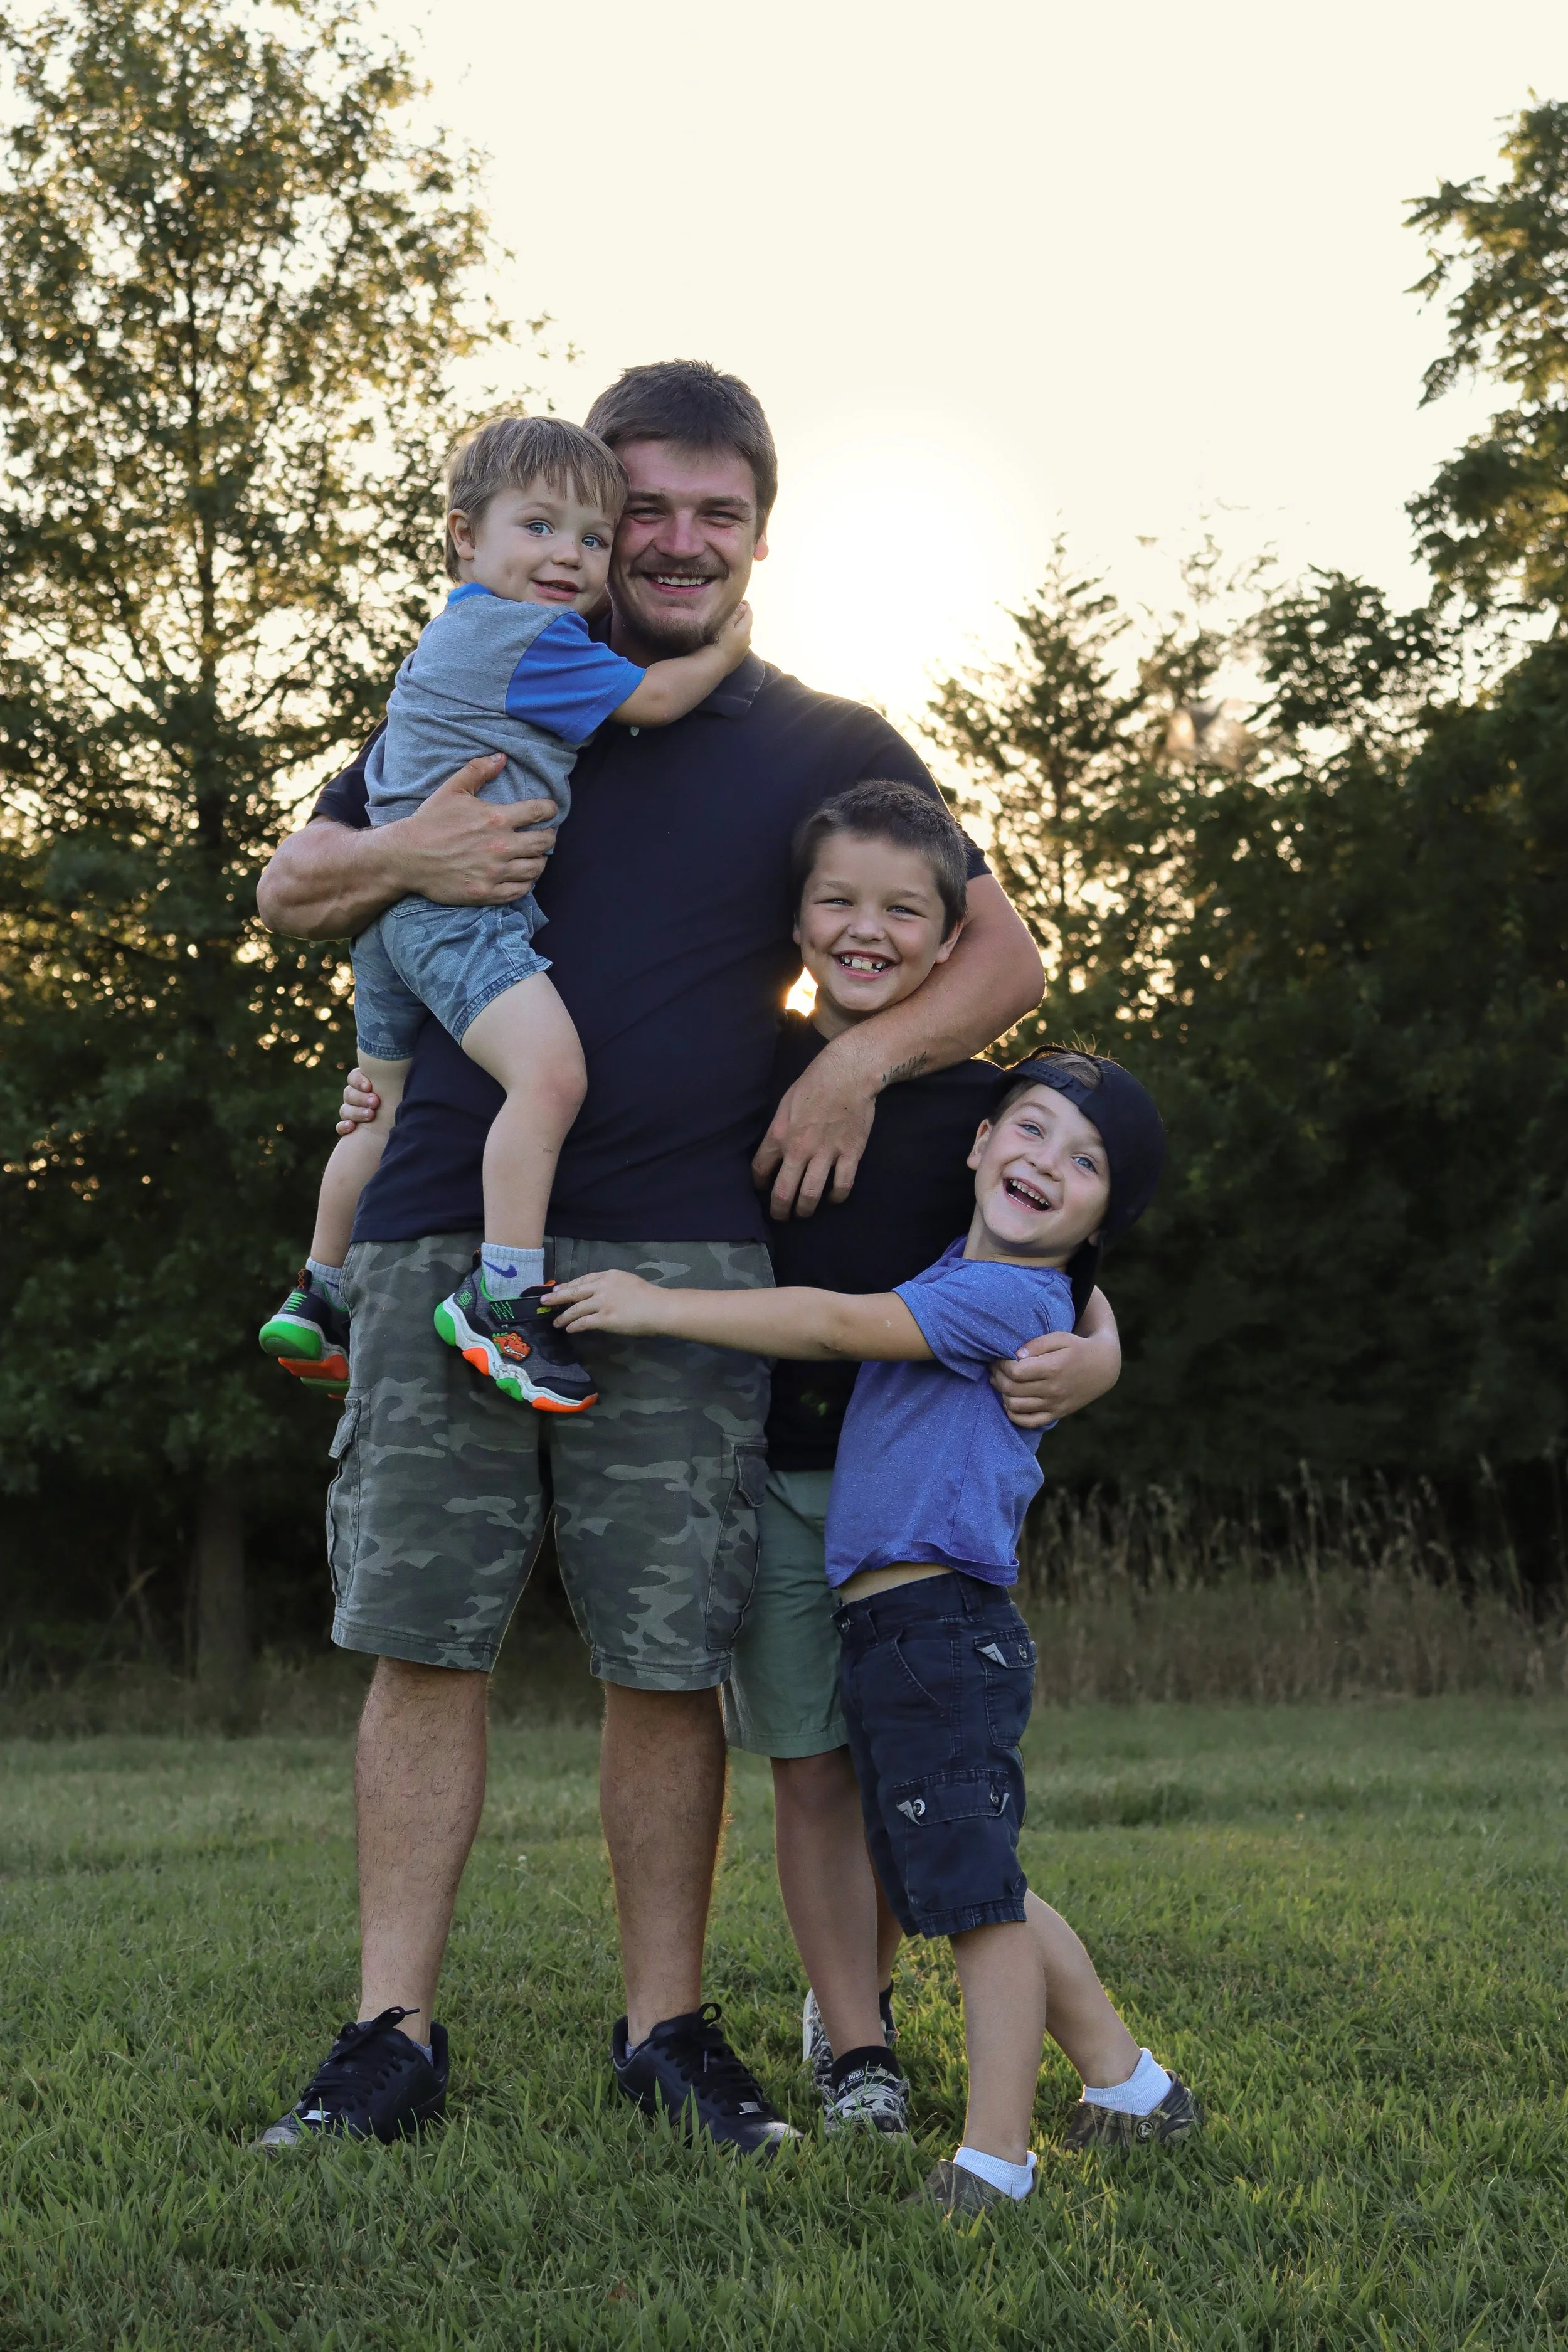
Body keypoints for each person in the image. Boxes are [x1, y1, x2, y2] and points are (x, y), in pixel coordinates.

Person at [252, 358, 1054, 2157]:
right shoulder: (488, 670)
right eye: (645, 509)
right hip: (445, 1217)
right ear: (594, 520)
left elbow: (1004, 965)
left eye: (718, 510)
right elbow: (290, 888)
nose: (675, 541)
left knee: (663, 1652)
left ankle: (665, 2024)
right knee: (422, 1637)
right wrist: (406, 843)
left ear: (762, 529)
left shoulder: (828, 740)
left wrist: (851, 1056)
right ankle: (389, 2029)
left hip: (693, 1239)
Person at [550, 1051, 1203, 2213]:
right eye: (1033, 1130)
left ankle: (996, 2160)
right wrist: (1102, 1339)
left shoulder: (1004, 1297)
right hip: (902, 1629)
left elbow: (836, 1322)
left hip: (936, 1627)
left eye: (1085, 1161)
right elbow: (1077, 1298)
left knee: (972, 1896)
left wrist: (656, 1304)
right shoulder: (982, 1270)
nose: (1047, 1161)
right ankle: (1131, 2084)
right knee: (961, 1872)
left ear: (1106, 1213)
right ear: (979, 1141)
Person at [712, 778, 1123, 2138]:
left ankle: (899, 2017)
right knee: (810, 1769)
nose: (866, 930)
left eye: (904, 909)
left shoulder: (994, 1102)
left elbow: (1084, 1268)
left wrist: (1099, 1355)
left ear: (953, 939)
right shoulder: (743, 1065)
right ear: (794, 921)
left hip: (910, 1507)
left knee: (904, 1778)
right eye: (836, 902)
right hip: (773, 1465)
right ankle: (857, 2051)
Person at [257, 415, 753, 1412]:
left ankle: (320, 1288)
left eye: (592, 538)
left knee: (379, 1104)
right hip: (459, 915)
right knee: (552, 1075)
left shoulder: (453, 638)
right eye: (539, 527)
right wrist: (729, 649)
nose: (569, 556)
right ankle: (503, 1297)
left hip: (389, 929)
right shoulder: (531, 640)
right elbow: (654, 700)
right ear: (462, 537)